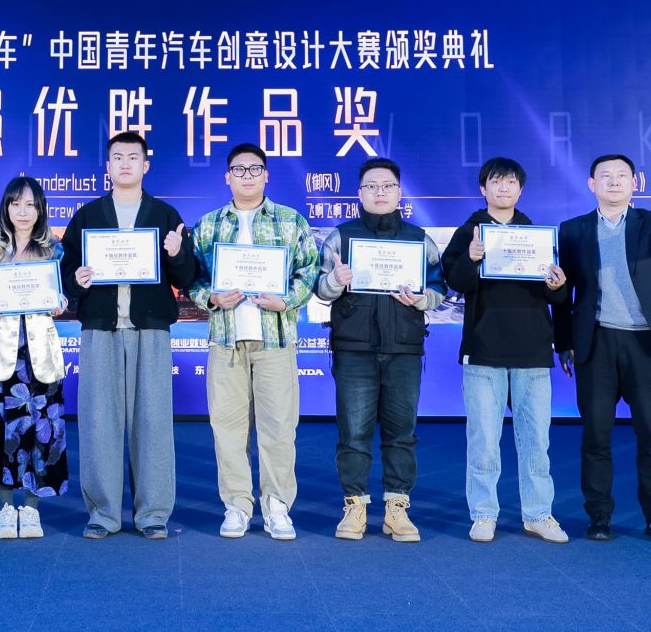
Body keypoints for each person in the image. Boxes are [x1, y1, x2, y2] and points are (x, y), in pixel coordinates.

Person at [58, 131, 196, 539]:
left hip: (150, 329)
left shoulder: (165, 215)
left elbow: (187, 277)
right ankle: (103, 514)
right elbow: (65, 275)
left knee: (153, 422)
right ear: (107, 166)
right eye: (117, 157)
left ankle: (152, 514)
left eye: (133, 157)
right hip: (100, 329)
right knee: (98, 422)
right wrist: (77, 279)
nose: (124, 164)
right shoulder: (88, 216)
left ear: (145, 165)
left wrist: (177, 252)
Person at [553, 153, 651, 545]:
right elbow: (563, 291)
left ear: (635, 183)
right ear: (591, 184)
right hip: (596, 342)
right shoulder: (573, 230)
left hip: (644, 342)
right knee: (595, 435)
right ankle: (599, 515)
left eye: (622, 175)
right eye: (605, 176)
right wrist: (564, 342)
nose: (614, 181)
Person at [186, 143, 320, 540]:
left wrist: (286, 300)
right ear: (227, 177)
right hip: (226, 340)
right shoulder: (208, 224)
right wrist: (210, 297)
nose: (247, 175)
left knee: (279, 427)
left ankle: (277, 506)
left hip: (275, 338)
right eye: (239, 169)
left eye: (255, 168)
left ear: (267, 175)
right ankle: (237, 505)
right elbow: (193, 278)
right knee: (227, 426)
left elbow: (309, 270)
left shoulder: (291, 220)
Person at [312, 156, 443, 544]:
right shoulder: (341, 237)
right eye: (371, 186)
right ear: (360, 193)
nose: (379, 192)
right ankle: (355, 505)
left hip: (404, 348)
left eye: (387, 186)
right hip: (355, 348)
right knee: (353, 433)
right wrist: (336, 280)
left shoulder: (419, 239)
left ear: (400, 193)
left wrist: (422, 299)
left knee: (402, 433)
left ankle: (396, 508)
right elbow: (320, 290)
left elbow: (440, 288)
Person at [439, 156, 569, 544]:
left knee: (536, 442)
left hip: (532, 350)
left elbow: (555, 295)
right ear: (483, 188)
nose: (503, 188)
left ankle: (538, 514)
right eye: (496, 181)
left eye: (511, 182)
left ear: (520, 189)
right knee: (483, 441)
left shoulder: (537, 236)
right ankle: (483, 514)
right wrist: (471, 259)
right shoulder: (468, 233)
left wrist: (558, 285)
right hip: (483, 351)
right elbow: (454, 282)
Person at [0, 176, 71, 539]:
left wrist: (60, 303)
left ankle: (31, 509)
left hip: (40, 353)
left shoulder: (54, 250)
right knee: (2, 432)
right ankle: (4, 509)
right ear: (6, 208)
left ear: (40, 209)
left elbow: (63, 295)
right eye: (16, 204)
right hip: (3, 354)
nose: (23, 211)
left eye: (31, 204)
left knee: (41, 432)